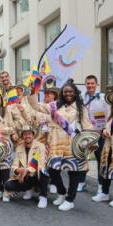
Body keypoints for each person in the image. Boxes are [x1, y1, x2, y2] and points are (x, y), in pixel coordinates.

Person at [27, 79, 93, 211]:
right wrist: (33, 91)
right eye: (65, 92)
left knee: (73, 172)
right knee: (53, 170)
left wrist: (89, 142)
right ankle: (62, 192)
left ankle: (70, 199)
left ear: (75, 93)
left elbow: (87, 126)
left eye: (70, 91)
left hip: (72, 143)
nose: (68, 93)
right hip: (55, 143)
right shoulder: (54, 105)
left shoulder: (81, 108)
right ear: (62, 94)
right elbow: (36, 106)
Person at [4, 125, 49, 208]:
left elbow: (42, 162)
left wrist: (27, 170)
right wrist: (18, 170)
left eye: (29, 134)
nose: (27, 136)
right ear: (22, 136)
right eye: (25, 134)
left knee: (43, 170)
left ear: (33, 135)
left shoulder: (40, 146)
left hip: (37, 174)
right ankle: (29, 188)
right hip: (25, 176)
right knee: (8, 185)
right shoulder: (19, 148)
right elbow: (14, 165)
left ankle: (43, 196)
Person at [78, 75, 110, 193]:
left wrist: (106, 128)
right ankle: (81, 182)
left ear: (97, 85)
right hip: (85, 134)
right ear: (85, 84)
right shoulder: (80, 98)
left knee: (100, 159)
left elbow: (109, 114)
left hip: (100, 134)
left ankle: (101, 185)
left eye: (92, 83)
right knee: (82, 158)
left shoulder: (103, 98)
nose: (90, 85)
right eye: (88, 83)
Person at [96, 87, 113, 207]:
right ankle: (105, 192)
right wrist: (104, 131)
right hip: (109, 146)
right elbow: (108, 127)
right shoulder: (112, 114)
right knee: (106, 169)